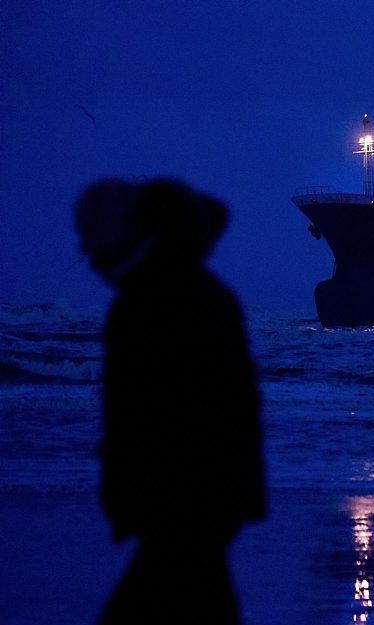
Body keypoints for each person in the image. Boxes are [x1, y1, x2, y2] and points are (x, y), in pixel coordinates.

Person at [75, 179, 265, 625]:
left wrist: (137, 494)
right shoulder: (192, 290)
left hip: (180, 504)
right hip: (204, 501)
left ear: (127, 227)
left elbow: (158, 414)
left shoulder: (153, 298)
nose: (84, 250)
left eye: (90, 232)